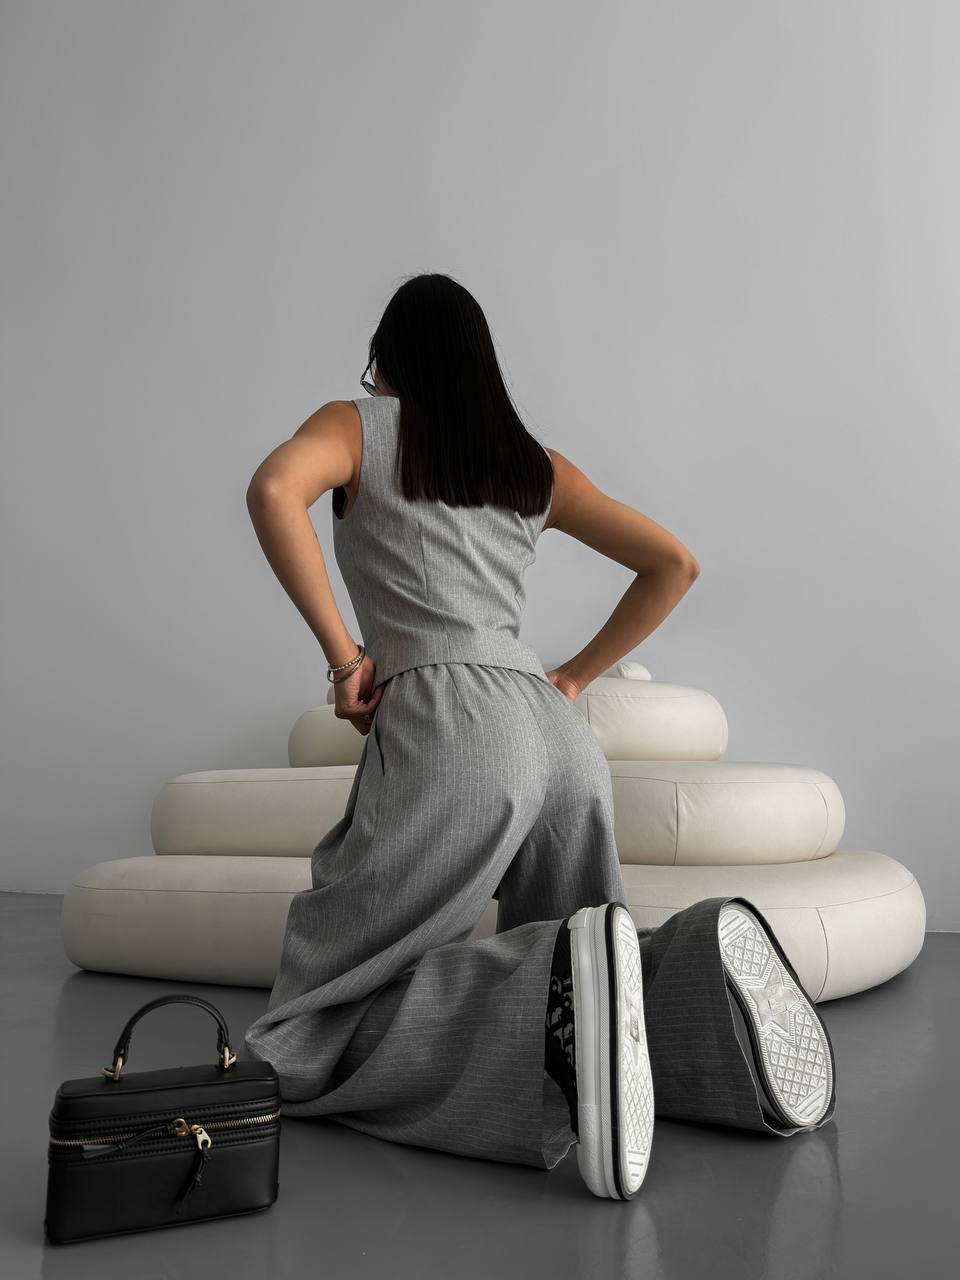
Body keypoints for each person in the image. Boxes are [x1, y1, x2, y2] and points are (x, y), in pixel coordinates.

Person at [242, 272, 836, 1201]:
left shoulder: (360, 425)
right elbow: (673, 564)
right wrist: (570, 679)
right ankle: (695, 993)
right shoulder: (531, 464)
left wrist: (343, 658)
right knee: (601, 971)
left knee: (315, 1017)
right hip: (555, 737)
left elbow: (275, 486)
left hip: (450, 722)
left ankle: (545, 999)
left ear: (386, 364)